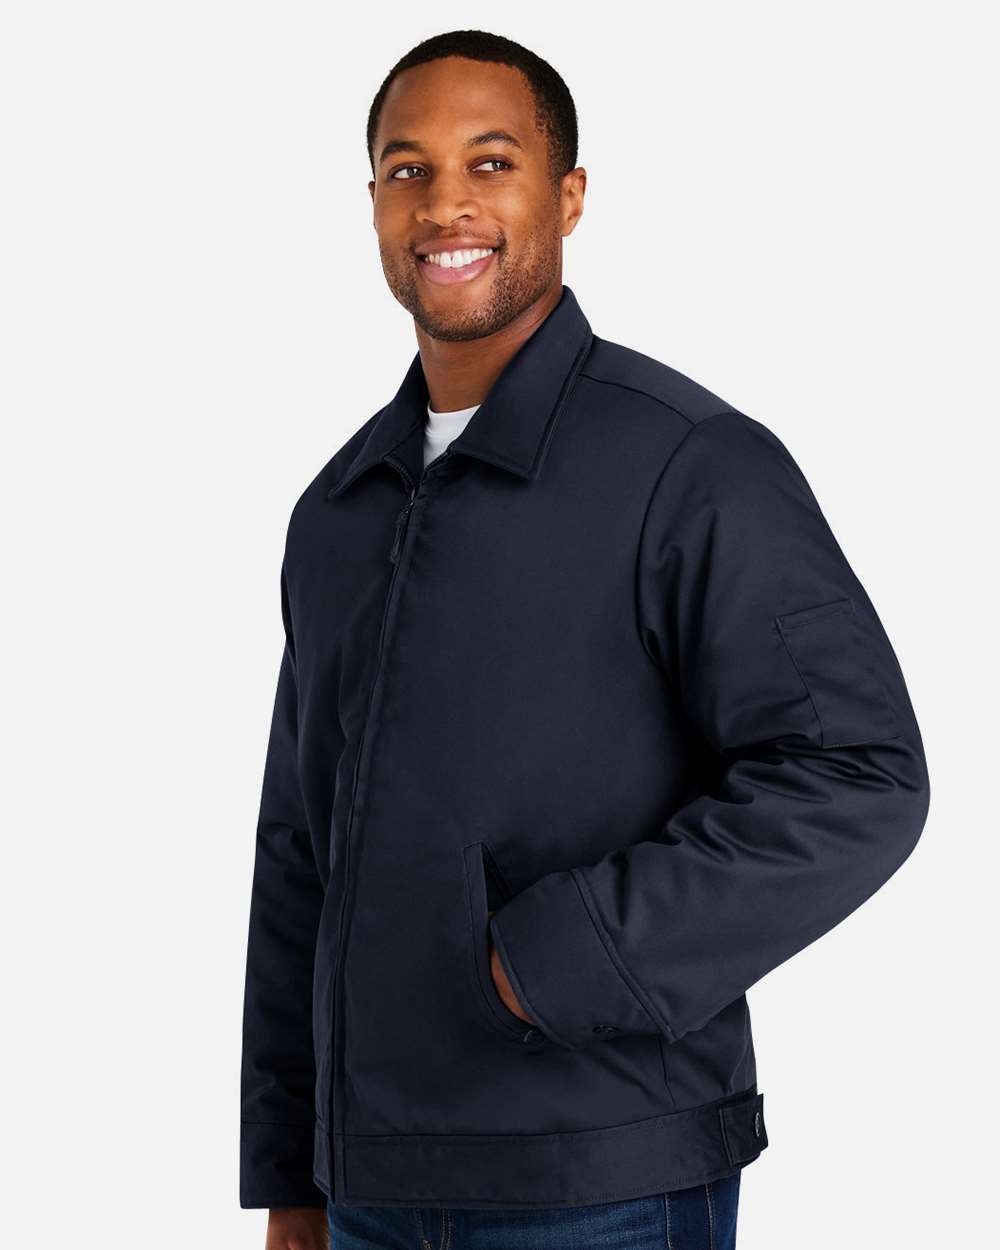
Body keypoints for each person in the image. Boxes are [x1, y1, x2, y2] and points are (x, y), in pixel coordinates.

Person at [240, 29, 931, 1250]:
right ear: (374, 205)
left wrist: (571, 957)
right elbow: (300, 849)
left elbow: (856, 773)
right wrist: (291, 1168)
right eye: (407, 170)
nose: (444, 203)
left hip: (605, 1179)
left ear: (565, 197)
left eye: (489, 162)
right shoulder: (337, 510)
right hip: (368, 1189)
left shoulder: (690, 464)